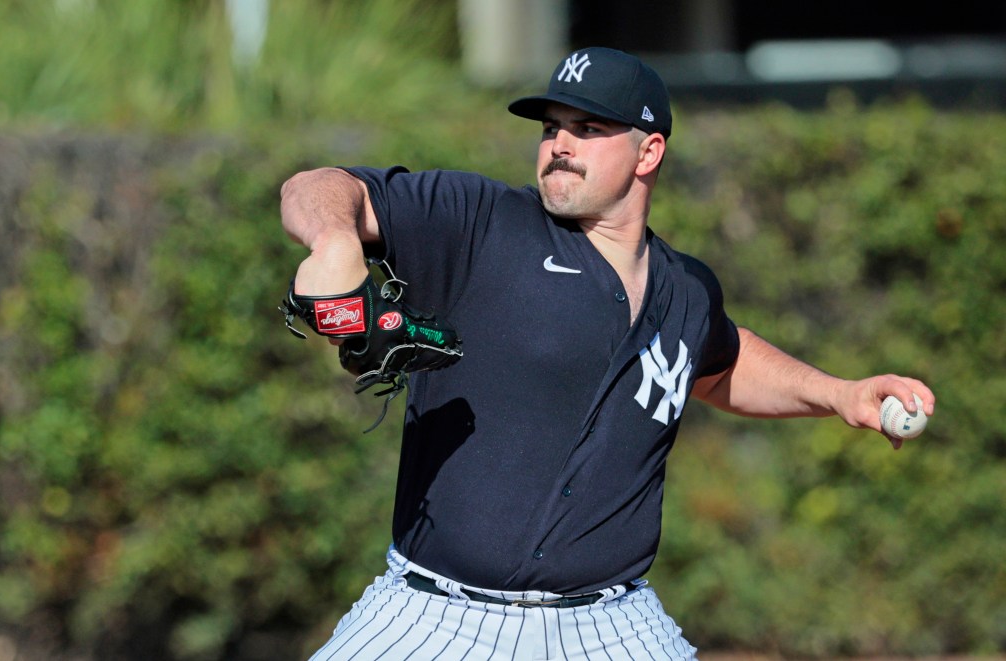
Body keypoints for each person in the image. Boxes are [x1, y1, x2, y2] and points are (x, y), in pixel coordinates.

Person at [280, 47, 935, 661]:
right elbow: (315, 187)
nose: (560, 143)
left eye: (588, 127)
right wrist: (336, 237)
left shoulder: (686, 289)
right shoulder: (481, 222)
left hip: (614, 624)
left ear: (648, 150)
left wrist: (840, 393)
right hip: (437, 617)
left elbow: (720, 363)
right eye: (551, 126)